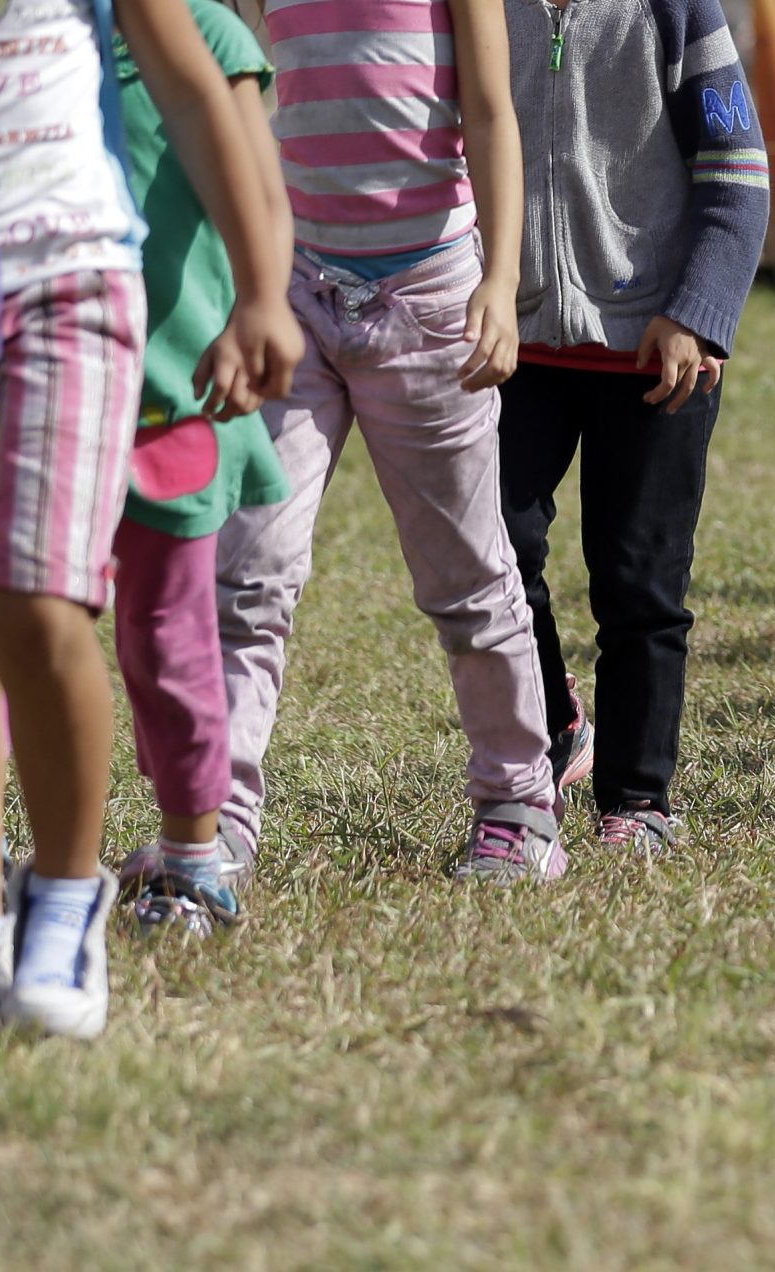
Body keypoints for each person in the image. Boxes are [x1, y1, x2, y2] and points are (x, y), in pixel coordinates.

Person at [0, 0, 296, 1040]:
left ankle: (63, 902)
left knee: (32, 606)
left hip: (66, 278)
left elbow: (190, 86)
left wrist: (261, 289)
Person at [219, 0, 566, 884]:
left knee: (467, 579)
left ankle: (518, 805)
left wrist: (499, 279)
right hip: (296, 293)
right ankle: (217, 823)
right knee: (247, 570)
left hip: (426, 295)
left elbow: (490, 112)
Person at [496, 0, 769, 853]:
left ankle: (638, 798)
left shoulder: (673, 8)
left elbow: (738, 171)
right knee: (493, 557)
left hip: (658, 352)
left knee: (640, 588)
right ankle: (553, 726)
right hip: (513, 345)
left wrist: (698, 312)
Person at [108, 0, 297, 933]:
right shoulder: (19, 33)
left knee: (166, 636)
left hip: (174, 402)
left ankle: (195, 859)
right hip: (49, 389)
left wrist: (251, 311)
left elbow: (265, 197)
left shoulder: (217, 42)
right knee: (15, 632)